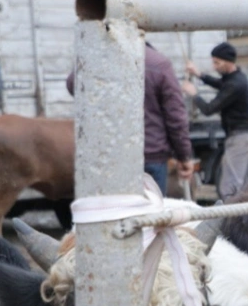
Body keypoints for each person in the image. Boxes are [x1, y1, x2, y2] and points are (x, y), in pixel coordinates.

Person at [66, 42, 194, 197]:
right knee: (151, 216)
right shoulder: (159, 63)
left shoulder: (97, 57)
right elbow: (175, 116)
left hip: (108, 155)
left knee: (114, 215)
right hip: (150, 154)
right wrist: (184, 156)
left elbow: (73, 85)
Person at [185, 41, 248, 200]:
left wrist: (194, 94)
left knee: (229, 185)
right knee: (237, 182)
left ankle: (232, 219)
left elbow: (209, 109)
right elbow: (220, 84)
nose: (214, 66)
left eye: (217, 62)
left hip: (240, 137)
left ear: (227, 62)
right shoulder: (234, 77)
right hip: (240, 136)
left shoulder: (235, 84)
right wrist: (199, 74)